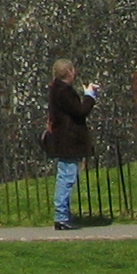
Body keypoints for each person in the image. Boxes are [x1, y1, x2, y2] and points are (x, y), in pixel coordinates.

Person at [46, 60, 96, 230]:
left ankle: (63, 215)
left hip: (64, 139)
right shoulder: (63, 91)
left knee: (65, 176)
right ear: (69, 72)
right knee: (66, 178)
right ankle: (61, 217)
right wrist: (89, 96)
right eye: (73, 70)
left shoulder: (56, 89)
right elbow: (80, 111)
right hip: (68, 140)